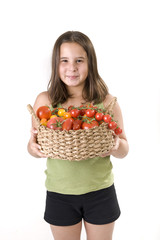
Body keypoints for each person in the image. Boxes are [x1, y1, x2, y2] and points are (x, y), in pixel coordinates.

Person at [27, 31, 129, 240]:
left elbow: (124, 148)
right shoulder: (45, 102)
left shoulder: (107, 102)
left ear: (90, 63)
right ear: (56, 64)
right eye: (64, 60)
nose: (71, 67)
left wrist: (115, 145)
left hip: (100, 191)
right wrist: (32, 148)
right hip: (59, 193)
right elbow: (34, 146)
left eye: (79, 60)